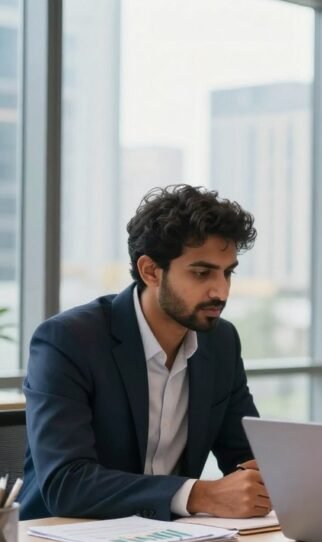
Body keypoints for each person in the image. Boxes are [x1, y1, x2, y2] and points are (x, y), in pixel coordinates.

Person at [19, 185, 271, 521]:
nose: (221, 291)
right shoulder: (69, 340)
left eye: (228, 272)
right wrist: (198, 494)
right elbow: (67, 483)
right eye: (202, 273)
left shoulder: (220, 342)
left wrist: (280, 477)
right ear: (150, 271)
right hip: (61, 541)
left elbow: (245, 455)